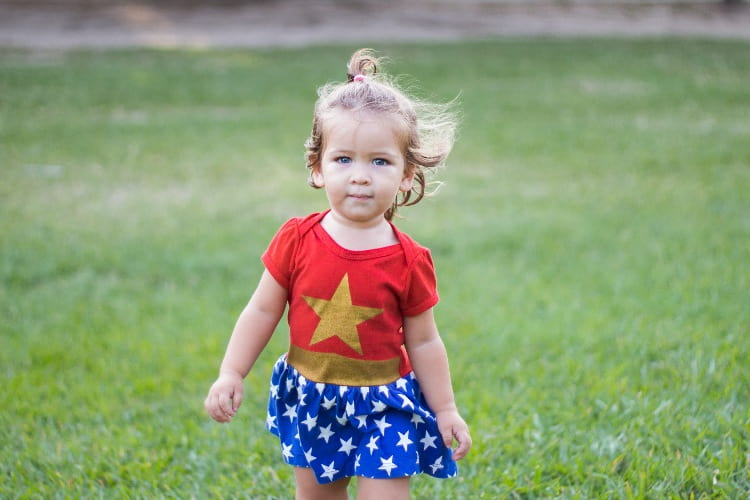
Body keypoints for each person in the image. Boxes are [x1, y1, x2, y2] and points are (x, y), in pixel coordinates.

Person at [204, 48, 471, 499]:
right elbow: (262, 309)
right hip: (315, 400)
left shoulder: (409, 260)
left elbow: (424, 339)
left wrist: (444, 408)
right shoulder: (297, 239)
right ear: (317, 167)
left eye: (380, 162)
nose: (360, 177)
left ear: (407, 175)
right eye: (343, 159)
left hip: (385, 404)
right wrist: (231, 372)